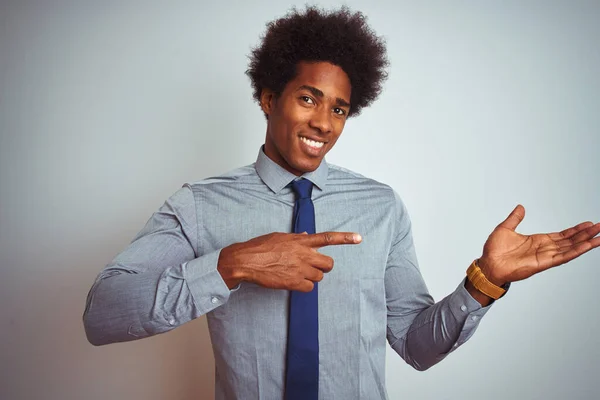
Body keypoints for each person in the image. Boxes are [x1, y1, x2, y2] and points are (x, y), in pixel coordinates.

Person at [83, 6, 600, 400]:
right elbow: (103, 315)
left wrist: (484, 283)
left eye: (339, 108)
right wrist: (230, 264)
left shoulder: (380, 207)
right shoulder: (200, 205)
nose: (324, 123)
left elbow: (416, 346)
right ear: (268, 99)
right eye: (308, 98)